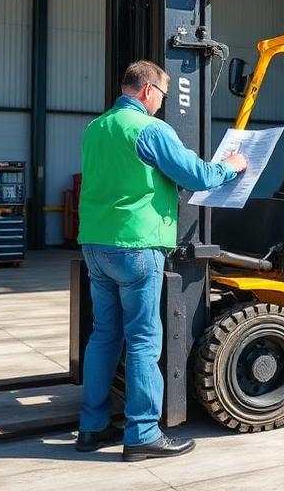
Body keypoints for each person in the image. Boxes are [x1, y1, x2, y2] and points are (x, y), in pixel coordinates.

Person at [75, 60, 247, 461]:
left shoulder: (95, 128)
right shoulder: (150, 129)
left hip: (95, 246)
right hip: (137, 247)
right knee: (143, 341)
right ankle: (142, 434)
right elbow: (198, 176)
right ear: (149, 91)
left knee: (103, 336)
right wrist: (232, 166)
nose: (162, 105)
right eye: (163, 97)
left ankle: (91, 427)